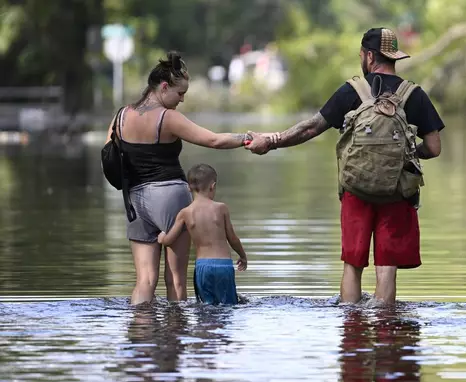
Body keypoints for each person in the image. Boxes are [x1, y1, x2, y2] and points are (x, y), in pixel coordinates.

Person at [244, 28, 445, 305]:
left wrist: (272, 140)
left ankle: (352, 329)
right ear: (394, 57)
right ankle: (386, 330)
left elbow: (310, 128)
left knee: (353, 264)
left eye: (362, 55)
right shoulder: (414, 94)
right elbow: (434, 148)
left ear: (369, 56)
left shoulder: (352, 91)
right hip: (397, 192)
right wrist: (406, 154)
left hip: (356, 192)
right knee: (386, 269)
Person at [104, 51, 264, 306]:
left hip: (134, 201)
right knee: (175, 279)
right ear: (164, 87)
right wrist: (248, 138)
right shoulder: (167, 118)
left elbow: (109, 156)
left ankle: (142, 337)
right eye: (179, 94)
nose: (181, 100)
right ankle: (176, 337)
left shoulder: (121, 116)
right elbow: (212, 140)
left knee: (144, 280)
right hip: (170, 197)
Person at [158, 163, 247, 305]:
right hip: (223, 266)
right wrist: (242, 255)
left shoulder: (185, 213)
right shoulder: (221, 208)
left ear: (188, 187)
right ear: (213, 186)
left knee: (206, 309)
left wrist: (162, 237)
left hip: (203, 267)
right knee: (228, 306)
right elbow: (233, 238)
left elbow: (169, 240)